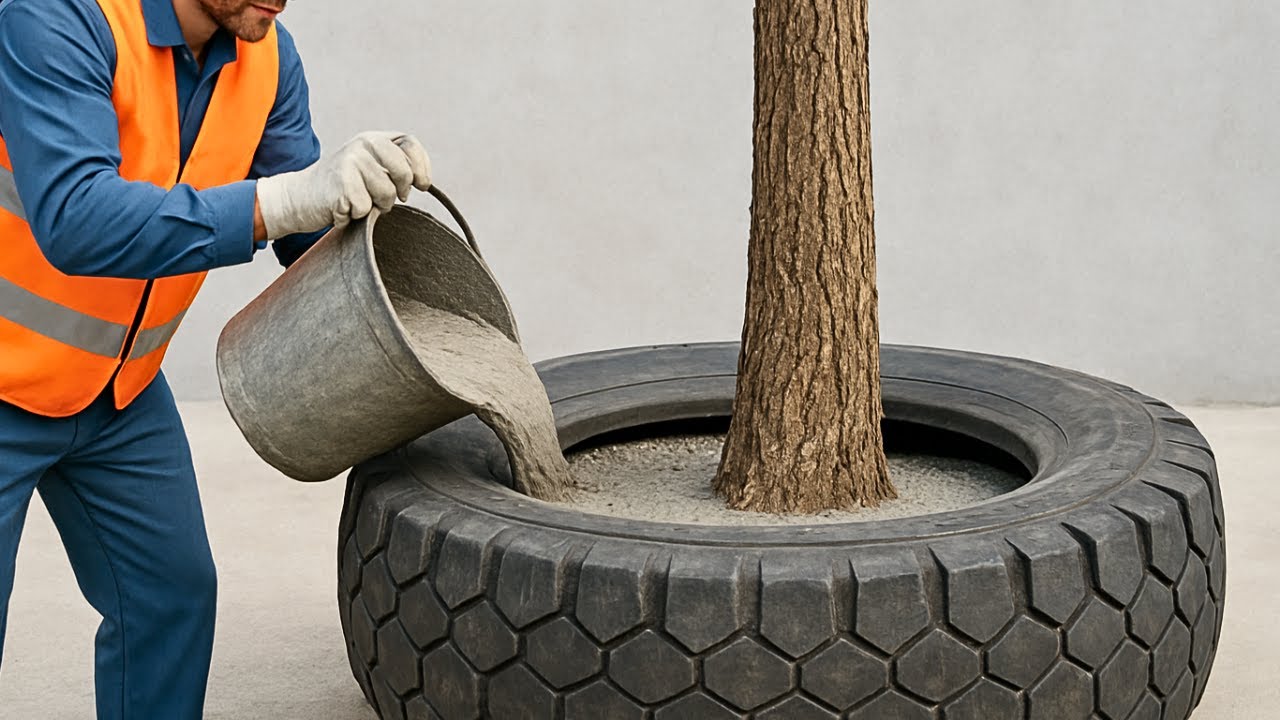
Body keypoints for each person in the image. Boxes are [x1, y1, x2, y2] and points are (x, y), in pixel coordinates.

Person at [0, 0, 431, 717]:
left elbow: (304, 239)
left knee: (170, 599)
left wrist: (362, 201)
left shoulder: (267, 57)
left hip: (118, 394)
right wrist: (282, 200)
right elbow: (77, 219)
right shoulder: (59, 19)